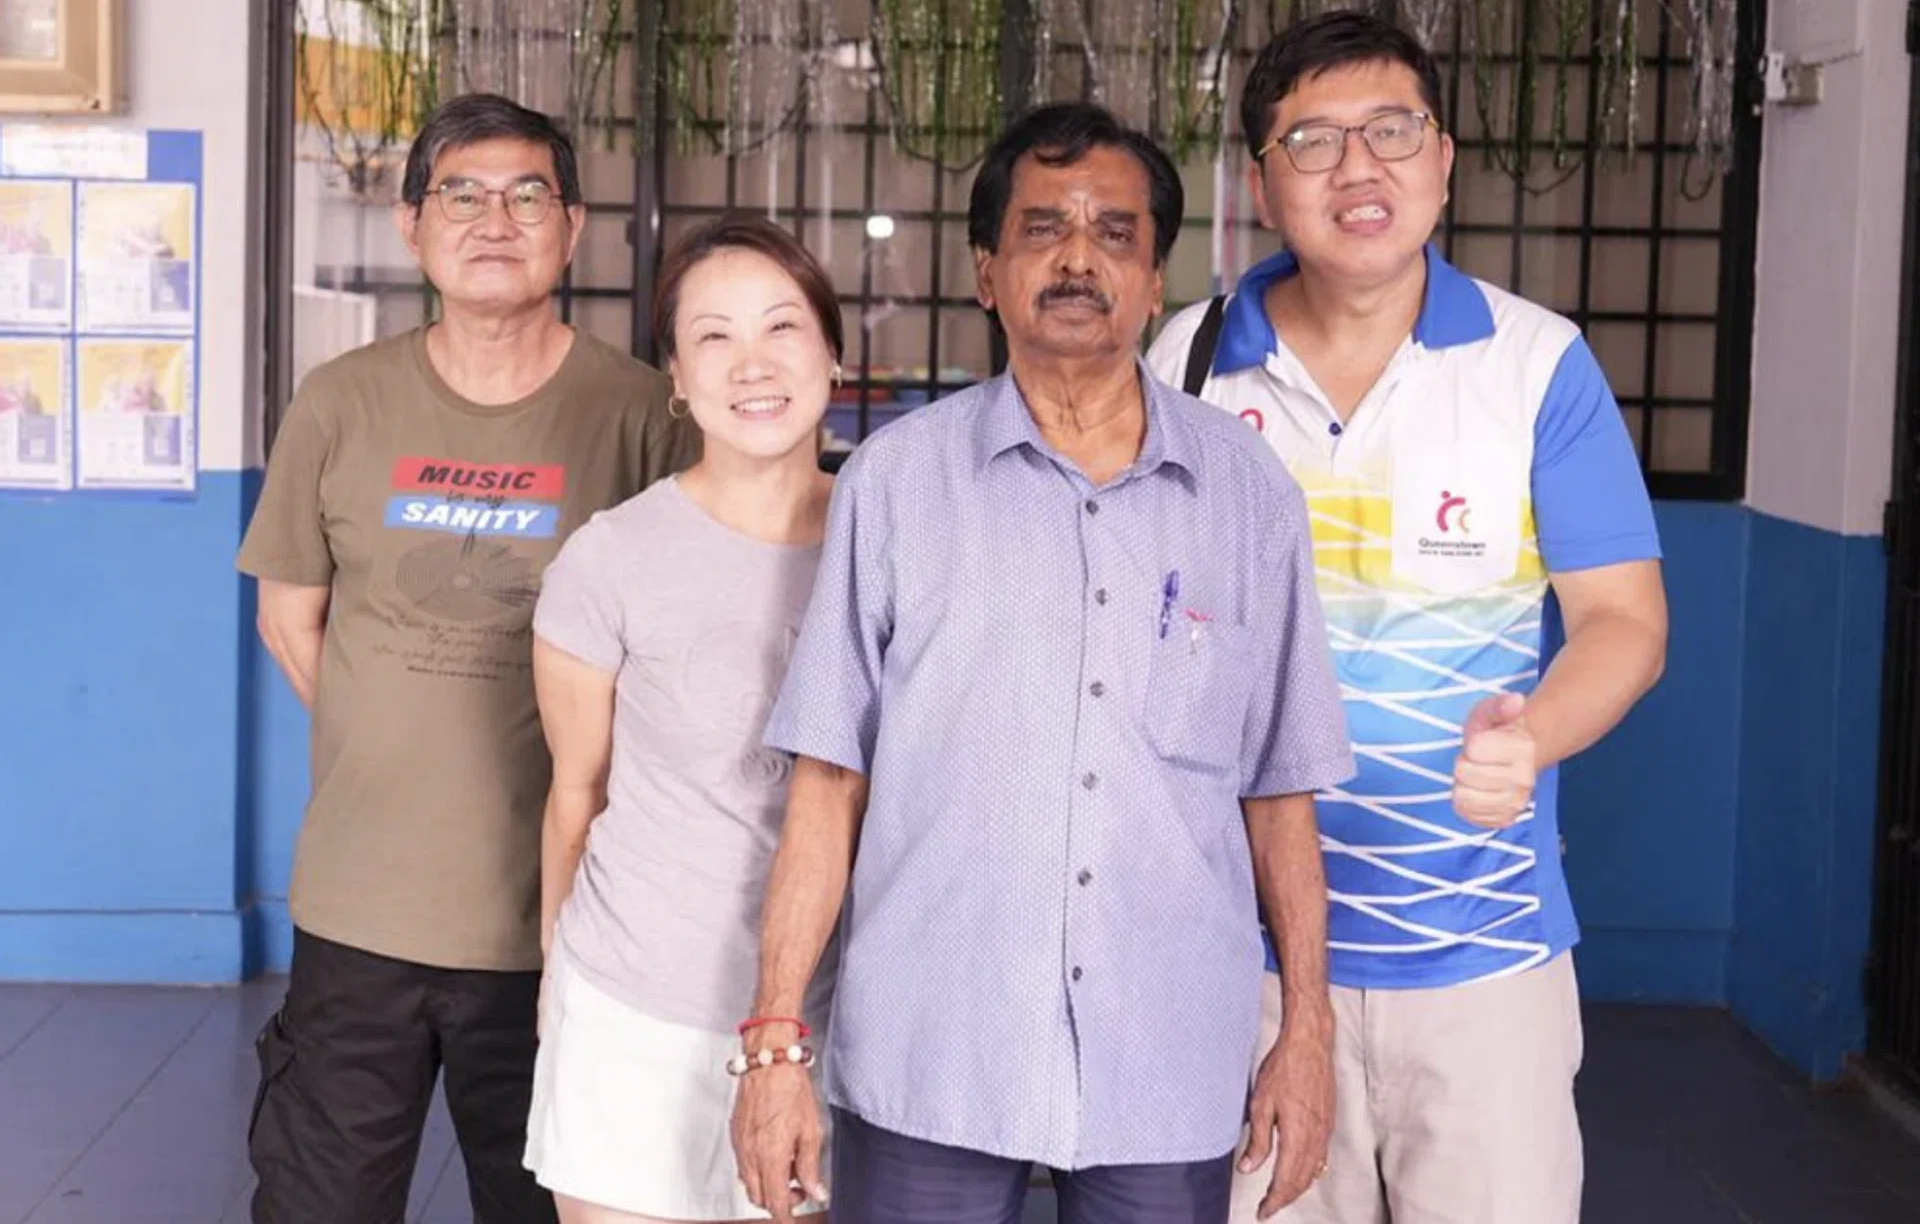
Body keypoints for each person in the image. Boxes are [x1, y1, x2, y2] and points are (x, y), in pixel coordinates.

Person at [728, 101, 1356, 1224]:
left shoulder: (1250, 498)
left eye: (1115, 233)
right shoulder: (894, 482)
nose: (1078, 257)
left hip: (1165, 1063)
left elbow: (1279, 789)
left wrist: (1306, 1030)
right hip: (934, 1056)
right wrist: (775, 1043)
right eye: (1041, 229)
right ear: (987, 272)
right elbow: (828, 782)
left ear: (1155, 279)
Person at [1146, 10, 1669, 1224]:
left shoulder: (1538, 365)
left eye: (1393, 130)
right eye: (1314, 142)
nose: (1359, 168)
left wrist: (1532, 736)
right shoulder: (1188, 363)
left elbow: (1626, 624)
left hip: (1486, 962)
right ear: (1265, 185)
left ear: (1444, 158)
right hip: (1252, 960)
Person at [237, 92, 698, 1224]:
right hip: (359, 915)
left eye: (526, 193)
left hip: (563, 919)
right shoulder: (342, 402)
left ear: (573, 224)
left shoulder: (641, 415)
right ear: (412, 225)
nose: (495, 218)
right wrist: (398, 739)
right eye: (462, 193)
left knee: (546, 1206)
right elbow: (291, 621)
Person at [522, 214, 842, 1224]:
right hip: (633, 1010)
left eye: (783, 328)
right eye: (714, 336)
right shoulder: (610, 558)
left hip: (828, 1017)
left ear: (833, 352)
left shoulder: (893, 537)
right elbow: (576, 793)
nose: (753, 364)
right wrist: (555, 984)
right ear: (676, 376)